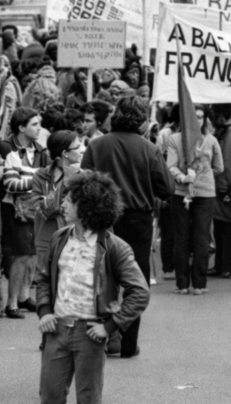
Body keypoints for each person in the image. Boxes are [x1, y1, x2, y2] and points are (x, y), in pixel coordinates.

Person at [35, 170, 150, 404]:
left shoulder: (114, 247)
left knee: (88, 398)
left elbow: (140, 292)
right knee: (49, 397)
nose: (63, 204)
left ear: (86, 206)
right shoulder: (59, 238)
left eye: (69, 200)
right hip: (56, 330)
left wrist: (110, 326)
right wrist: (45, 310)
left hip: (89, 333)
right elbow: (44, 278)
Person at [81, 96, 173, 358]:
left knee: (101, 278)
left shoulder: (96, 145)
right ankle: (128, 344)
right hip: (137, 221)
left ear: (115, 115)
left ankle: (103, 336)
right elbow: (167, 189)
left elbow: (83, 183)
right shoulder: (149, 148)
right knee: (135, 283)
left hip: (102, 220)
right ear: (143, 120)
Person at [165, 105, 223, 296]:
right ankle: (182, 284)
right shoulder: (174, 139)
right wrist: (183, 178)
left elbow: (219, 167)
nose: (197, 120)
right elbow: (170, 166)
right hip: (181, 193)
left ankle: (199, 283)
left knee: (201, 238)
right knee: (181, 238)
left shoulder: (211, 140)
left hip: (205, 194)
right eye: (193, 116)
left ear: (205, 120)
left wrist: (202, 177)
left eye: (200, 117)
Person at [0, 107, 49, 319]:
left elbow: (46, 181)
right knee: (21, 253)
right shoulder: (7, 147)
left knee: (32, 253)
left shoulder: (40, 150)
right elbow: (9, 183)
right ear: (21, 127)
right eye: (35, 124)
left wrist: (30, 182)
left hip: (34, 207)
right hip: (14, 209)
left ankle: (22, 296)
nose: (39, 129)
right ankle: (11, 302)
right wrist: (36, 181)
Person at [31, 131, 84, 264]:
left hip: (75, 243)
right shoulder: (41, 176)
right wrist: (66, 182)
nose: (82, 149)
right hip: (47, 242)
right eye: (77, 147)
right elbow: (45, 211)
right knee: (47, 283)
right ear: (65, 153)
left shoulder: (84, 177)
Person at [211, 104, 231, 278]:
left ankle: (228, 266)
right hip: (224, 185)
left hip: (228, 187)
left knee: (228, 228)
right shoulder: (226, 130)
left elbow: (228, 162)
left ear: (219, 114)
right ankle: (220, 265)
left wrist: (223, 188)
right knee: (220, 227)